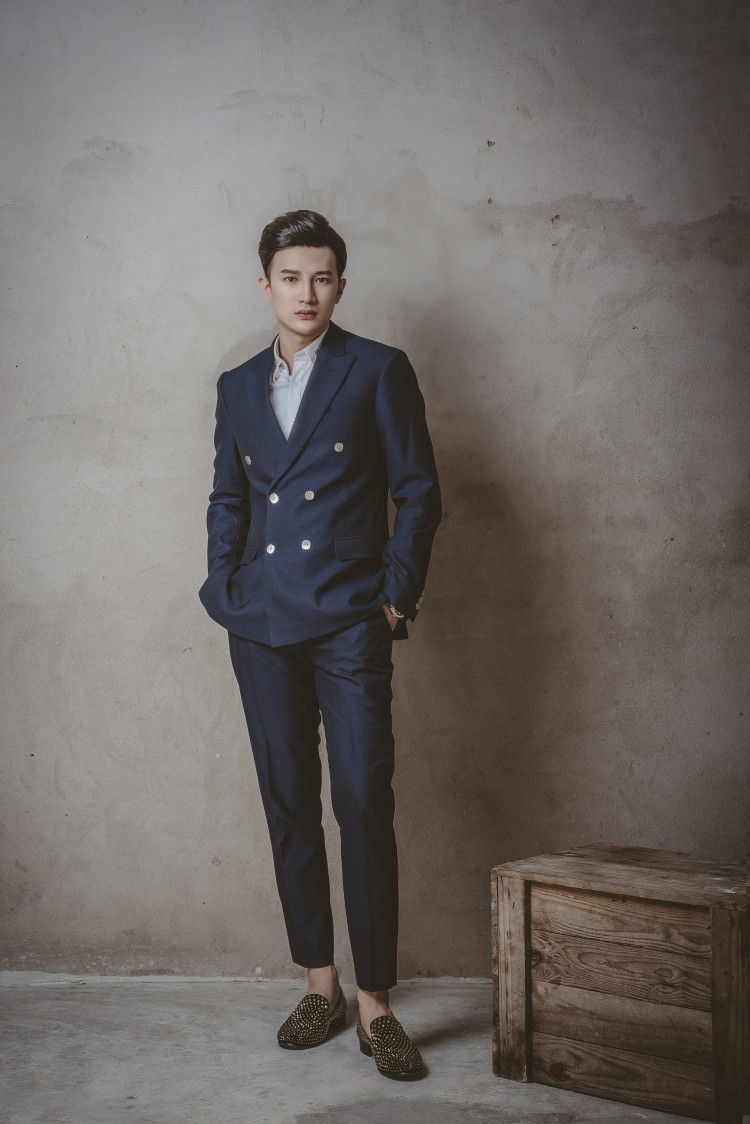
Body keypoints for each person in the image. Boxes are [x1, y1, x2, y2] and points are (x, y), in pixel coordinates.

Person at [199, 209, 442, 1079]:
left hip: (348, 621)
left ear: (341, 284)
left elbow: (418, 492)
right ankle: (319, 985)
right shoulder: (236, 385)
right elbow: (228, 497)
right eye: (292, 277)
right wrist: (224, 585)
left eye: (324, 277)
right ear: (265, 284)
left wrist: (392, 601)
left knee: (363, 800)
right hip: (261, 623)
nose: (308, 293)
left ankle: (376, 1002)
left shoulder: (377, 368)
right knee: (289, 802)